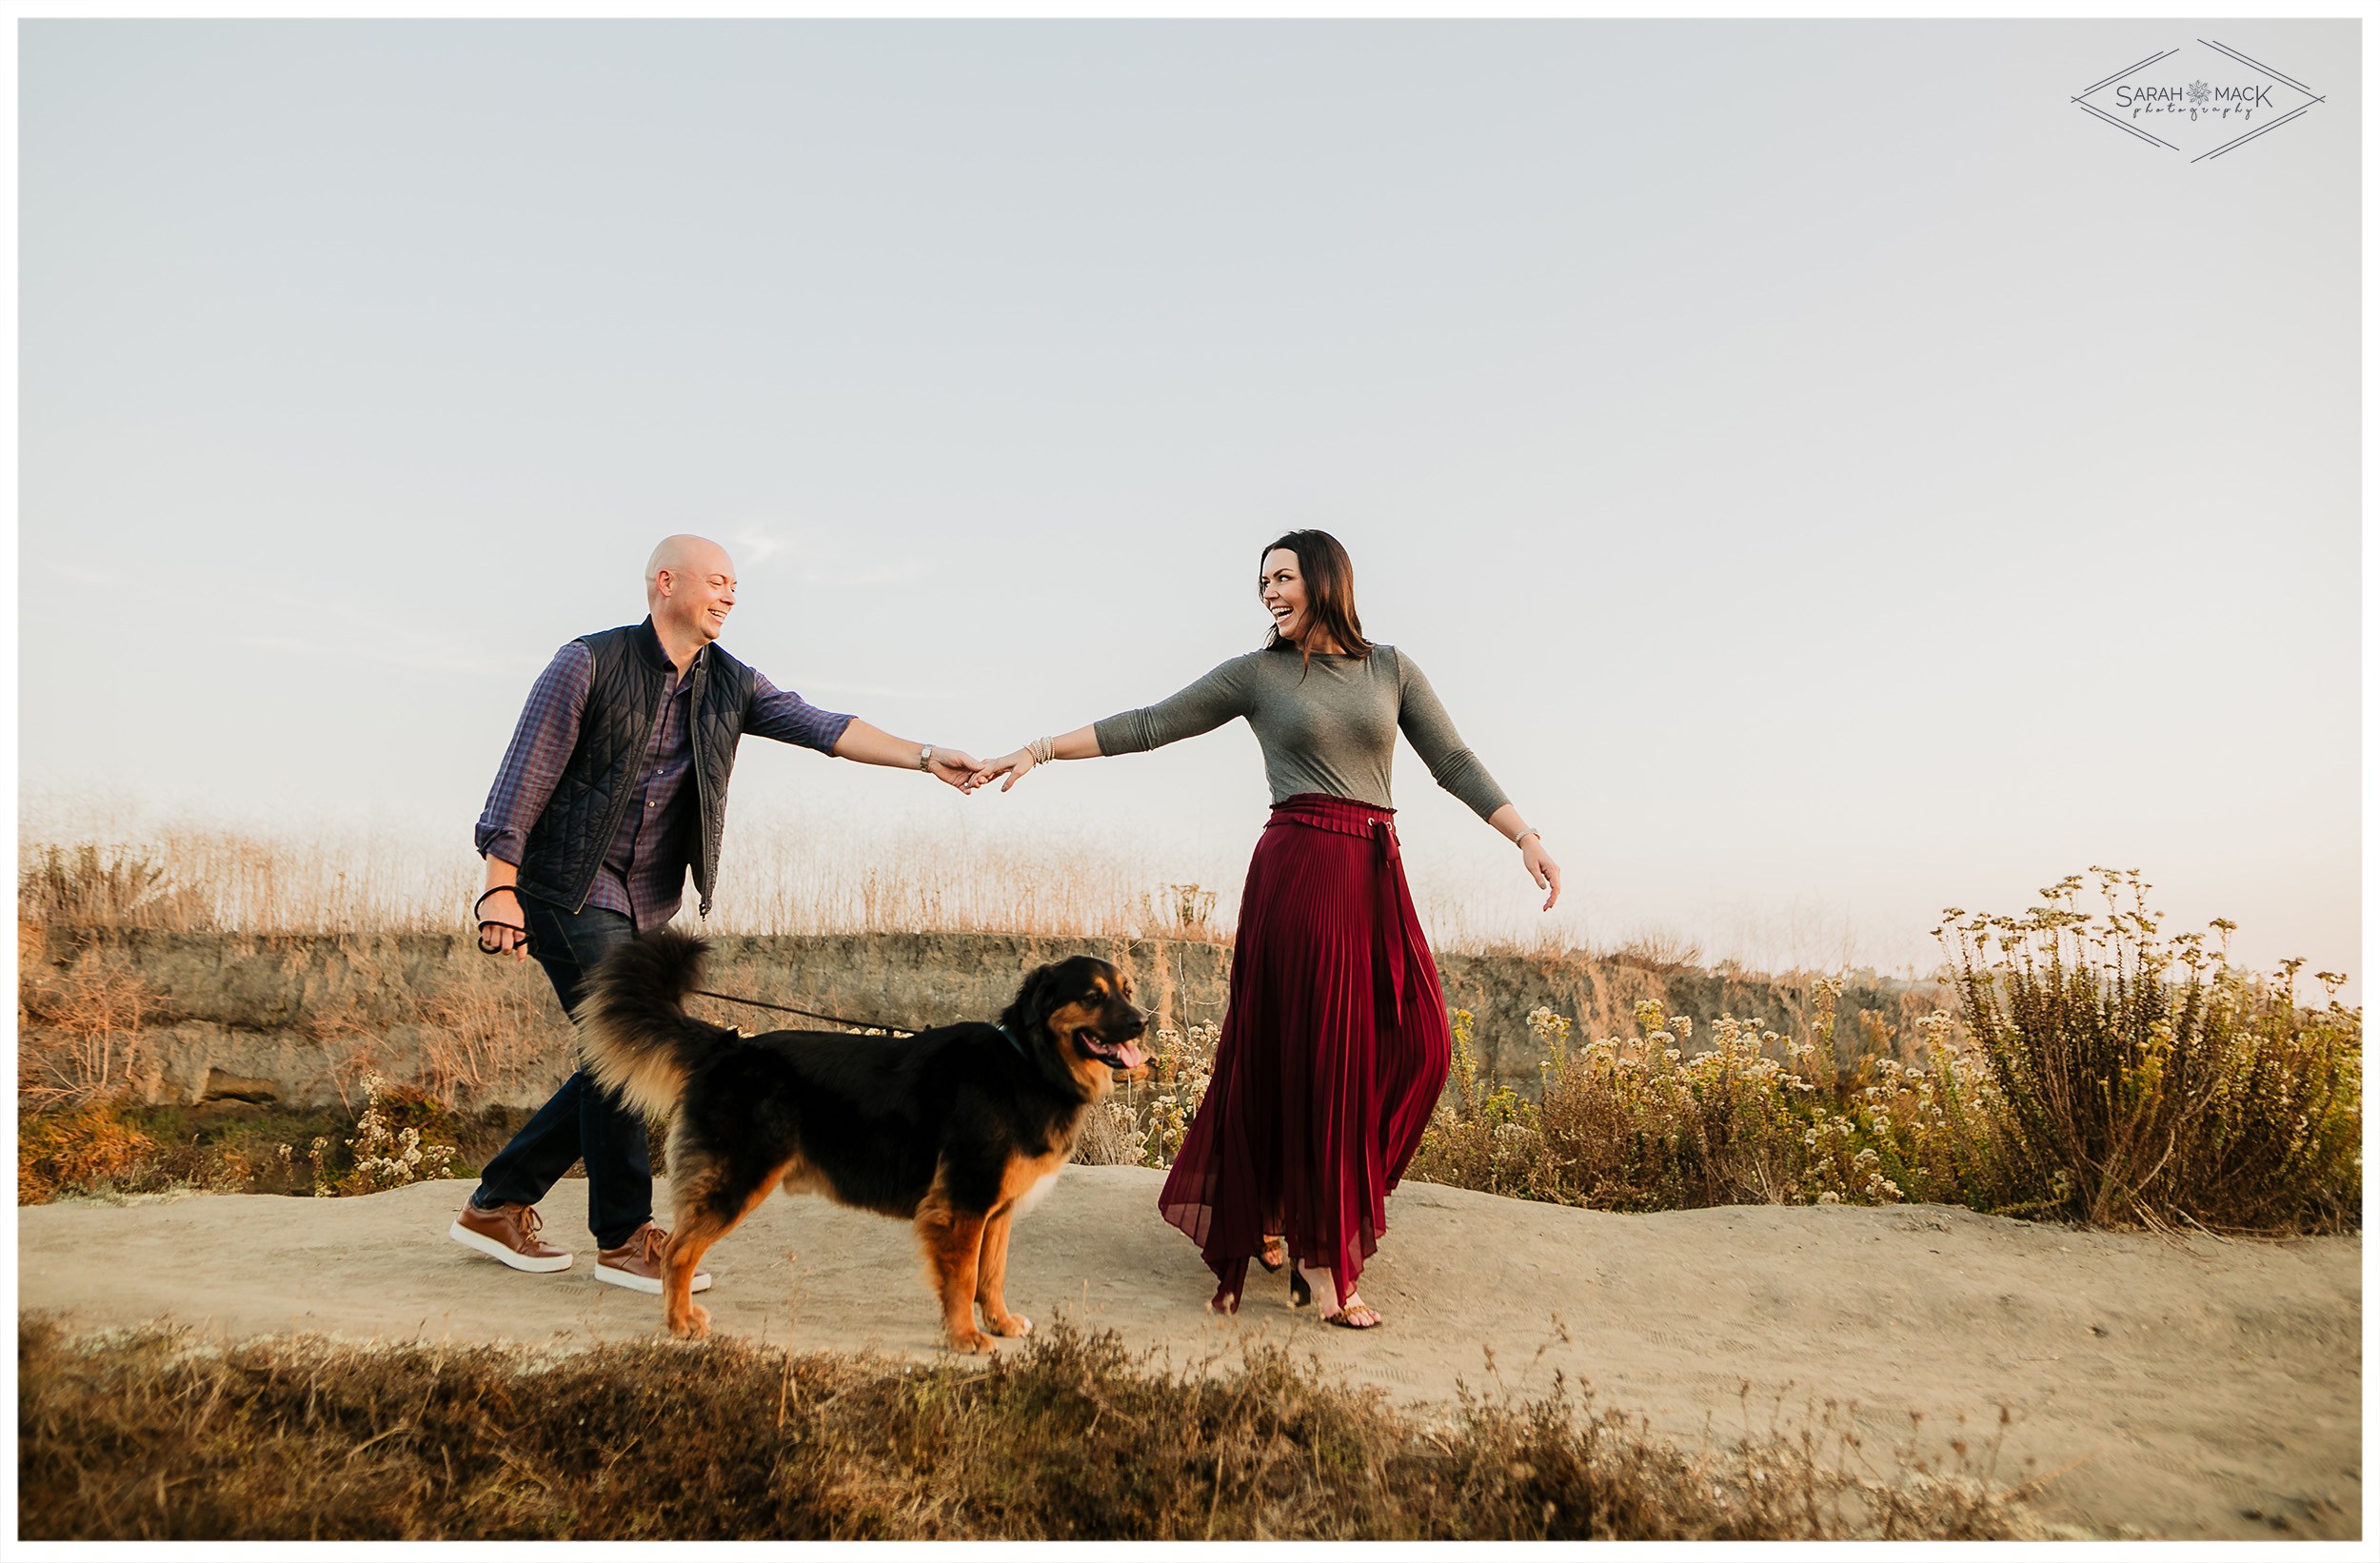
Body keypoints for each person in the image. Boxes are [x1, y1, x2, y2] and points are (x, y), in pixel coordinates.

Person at [970, 530, 1559, 1328]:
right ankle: (1332, 1265)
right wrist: (1039, 749)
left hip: (1375, 872)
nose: (1269, 594)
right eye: (1263, 583)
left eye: (1282, 578)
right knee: (1314, 1055)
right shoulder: (1258, 675)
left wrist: (1523, 836)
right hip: (1299, 869)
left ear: (1324, 579)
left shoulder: (1390, 668)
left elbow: (1451, 759)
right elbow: (1152, 723)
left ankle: (1308, 1204)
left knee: (1423, 1041)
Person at [448, 534, 983, 1295]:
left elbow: (824, 727)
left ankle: (498, 1203)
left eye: (736, 587)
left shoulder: (731, 683)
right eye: (719, 582)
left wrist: (928, 756)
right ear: (666, 582)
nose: (732, 597)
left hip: (648, 899)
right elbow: (523, 773)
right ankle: (627, 1236)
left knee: (618, 1053)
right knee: (635, 1044)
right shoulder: (587, 663)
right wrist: (500, 885)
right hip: (566, 887)